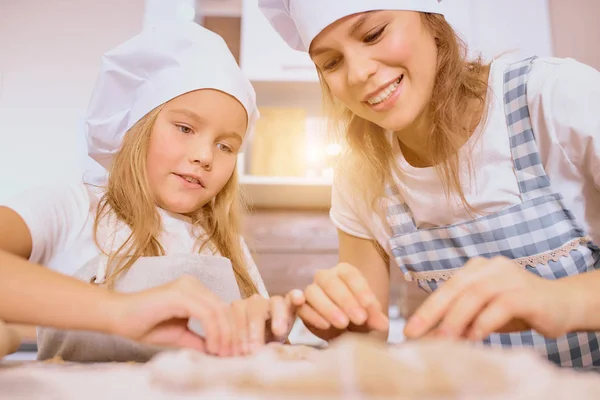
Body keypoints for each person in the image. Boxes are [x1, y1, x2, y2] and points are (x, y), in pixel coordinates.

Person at [260, 0, 600, 368]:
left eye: (373, 34)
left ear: (431, 20)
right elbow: (367, 340)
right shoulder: (359, 175)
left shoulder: (554, 97)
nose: (357, 73)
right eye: (331, 62)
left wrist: (559, 300)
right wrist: (343, 324)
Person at [0, 22, 297, 362]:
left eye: (225, 146)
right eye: (185, 128)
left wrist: (268, 334)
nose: (204, 156)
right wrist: (119, 310)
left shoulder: (228, 245)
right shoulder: (75, 207)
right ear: (138, 127)